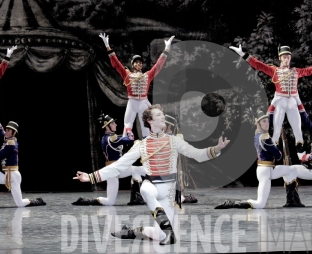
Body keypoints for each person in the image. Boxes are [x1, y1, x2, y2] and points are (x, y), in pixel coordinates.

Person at [74, 104, 229, 245]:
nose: (163, 117)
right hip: (153, 184)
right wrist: (91, 176)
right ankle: (170, 232)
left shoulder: (174, 141)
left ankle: (133, 231)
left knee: (159, 235)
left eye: (162, 115)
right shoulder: (142, 144)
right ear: (149, 120)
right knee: (145, 190)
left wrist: (217, 148)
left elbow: (197, 154)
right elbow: (118, 166)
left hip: (169, 189)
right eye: (159, 115)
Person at [229, 44, 312, 152]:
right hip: (280, 101)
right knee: (276, 126)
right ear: (280, 58)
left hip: (292, 101)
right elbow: (259, 65)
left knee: (297, 126)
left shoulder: (296, 71)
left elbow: (310, 70)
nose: (286, 59)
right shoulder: (274, 71)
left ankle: (301, 150)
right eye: (284, 57)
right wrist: (243, 55)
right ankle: (272, 149)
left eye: (288, 57)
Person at [215, 110, 302, 209]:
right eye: (264, 121)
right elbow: (278, 155)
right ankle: (232, 203)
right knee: (260, 204)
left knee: (291, 170)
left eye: (267, 121)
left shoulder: (258, 135)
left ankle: (292, 200)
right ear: (258, 124)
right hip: (266, 171)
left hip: (267, 169)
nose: (267, 123)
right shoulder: (265, 137)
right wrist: (277, 150)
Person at [99, 33, 174, 139]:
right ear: (132, 64)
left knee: (146, 128)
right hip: (132, 101)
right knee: (128, 123)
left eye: (140, 63)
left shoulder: (147, 75)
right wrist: (107, 46)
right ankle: (126, 139)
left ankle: (148, 143)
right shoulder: (127, 74)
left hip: (143, 102)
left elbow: (158, 66)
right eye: (136, 62)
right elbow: (116, 64)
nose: (139, 64)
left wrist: (166, 49)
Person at [72, 113, 144, 206]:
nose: (115, 125)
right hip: (113, 170)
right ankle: (86, 201)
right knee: (110, 201)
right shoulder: (111, 139)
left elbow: (121, 139)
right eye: (113, 123)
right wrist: (128, 128)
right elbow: (130, 139)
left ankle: (137, 198)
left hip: (117, 168)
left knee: (137, 170)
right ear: (107, 126)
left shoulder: (106, 138)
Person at [0, 121, 46, 208]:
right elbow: (1, 131)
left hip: (12, 176)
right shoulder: (9, 140)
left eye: (8, 130)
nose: (6, 132)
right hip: (6, 174)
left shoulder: (11, 144)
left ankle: (37, 201)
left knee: (20, 204)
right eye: (6, 130)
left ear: (13, 133)